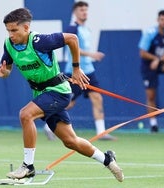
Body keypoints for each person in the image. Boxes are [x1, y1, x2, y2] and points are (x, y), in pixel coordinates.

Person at [0, 8, 124, 182]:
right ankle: (108, 160)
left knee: (25, 115)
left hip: (58, 92)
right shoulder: (9, 45)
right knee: (71, 141)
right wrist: (5, 72)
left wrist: (76, 68)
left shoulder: (40, 42)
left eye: (14, 30)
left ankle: (28, 166)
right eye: (8, 31)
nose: (10, 34)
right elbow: (8, 67)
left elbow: (72, 38)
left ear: (26, 28)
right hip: (42, 93)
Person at [44, 1, 116, 141]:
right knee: (68, 102)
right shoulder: (72, 28)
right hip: (74, 72)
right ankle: (49, 125)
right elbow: (72, 47)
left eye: (86, 10)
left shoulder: (86, 29)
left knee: (97, 98)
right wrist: (91, 54)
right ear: (75, 12)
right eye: (81, 10)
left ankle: (101, 133)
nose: (84, 12)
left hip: (88, 71)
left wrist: (90, 57)